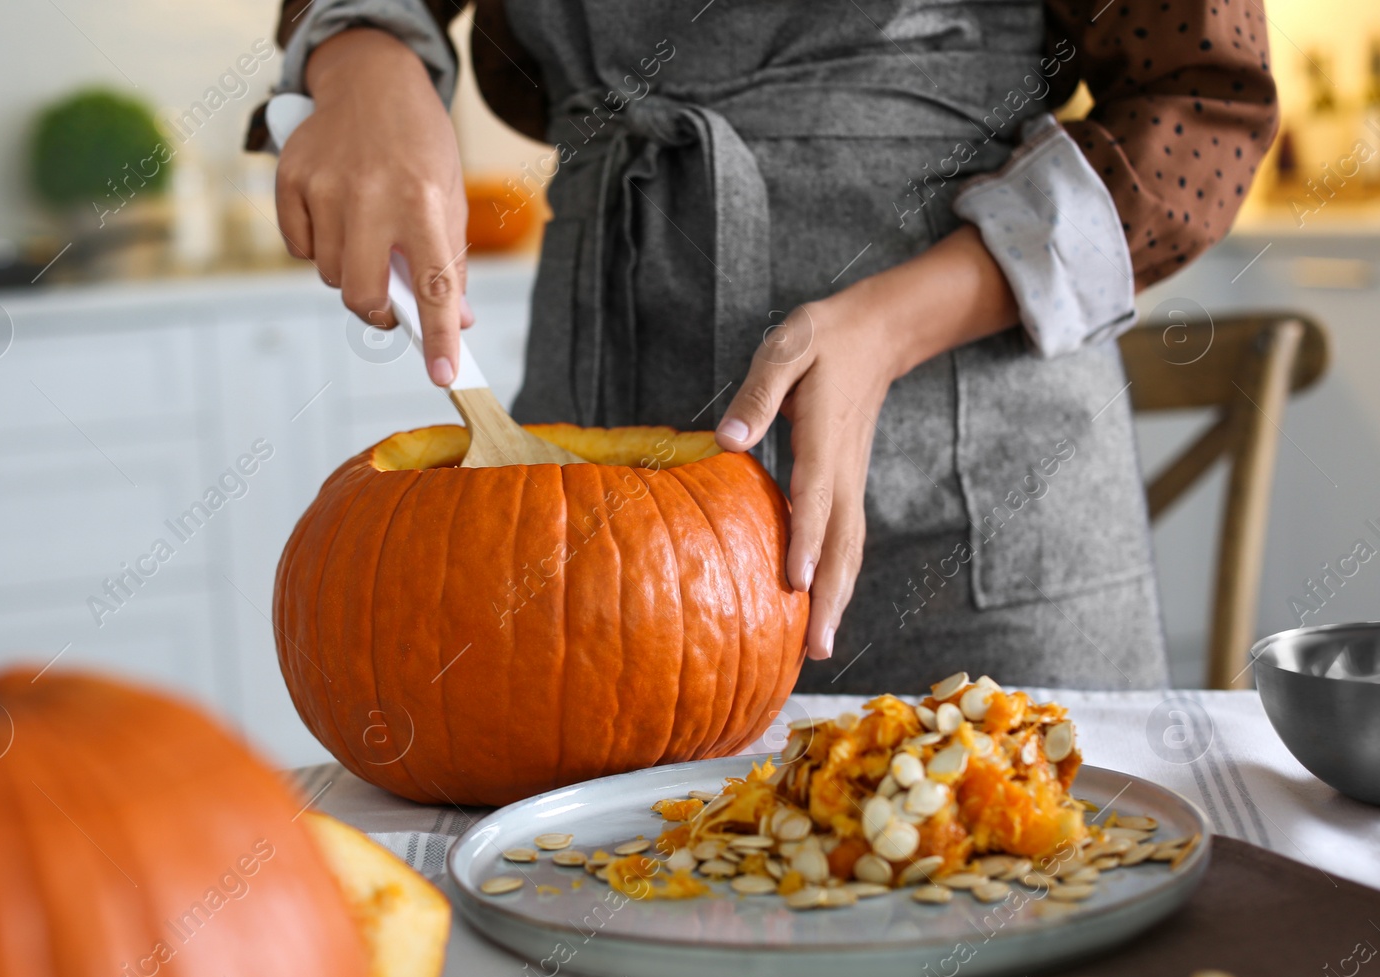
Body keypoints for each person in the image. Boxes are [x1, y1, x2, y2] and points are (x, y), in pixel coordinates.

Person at [248, 0, 1277, 692]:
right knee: (620, 933)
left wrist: (894, 323)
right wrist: (362, 57)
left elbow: (1202, 109)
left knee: (1031, 931)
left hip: (987, 504)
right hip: (596, 503)